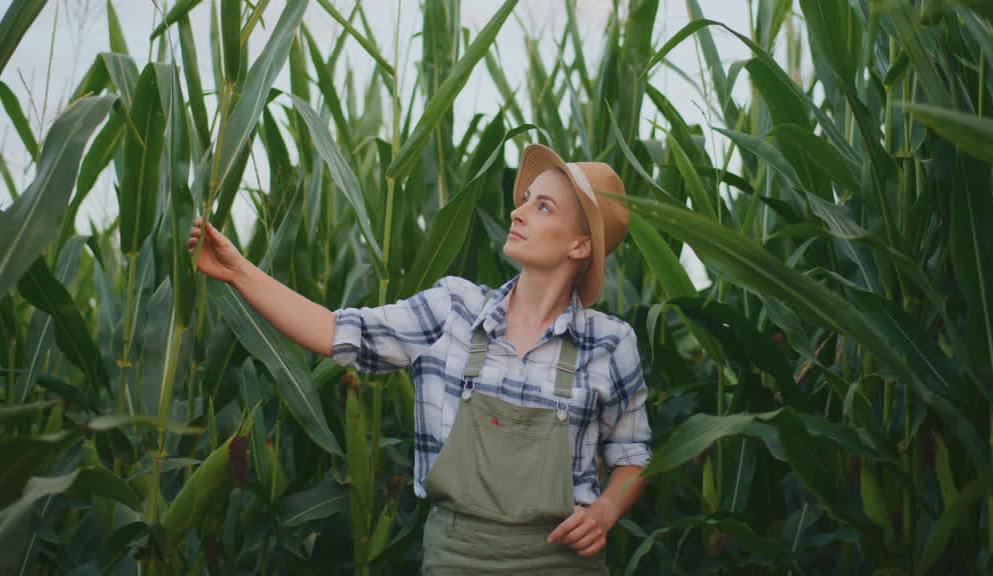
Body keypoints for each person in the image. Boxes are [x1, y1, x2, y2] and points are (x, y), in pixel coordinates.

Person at [188, 143, 652, 573]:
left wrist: (606, 511)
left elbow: (632, 456)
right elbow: (335, 332)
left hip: (562, 564)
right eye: (526, 199)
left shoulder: (610, 344)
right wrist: (238, 271)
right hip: (457, 558)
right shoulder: (453, 309)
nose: (518, 211)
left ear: (580, 245)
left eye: (542, 206)